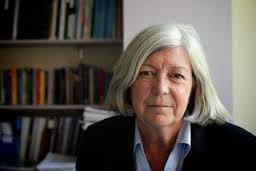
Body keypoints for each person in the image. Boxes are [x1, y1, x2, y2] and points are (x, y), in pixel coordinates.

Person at [76, 24, 256, 171]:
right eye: (146, 73)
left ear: (195, 87)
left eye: (177, 76)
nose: (160, 89)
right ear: (128, 82)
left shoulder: (240, 149)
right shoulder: (96, 141)